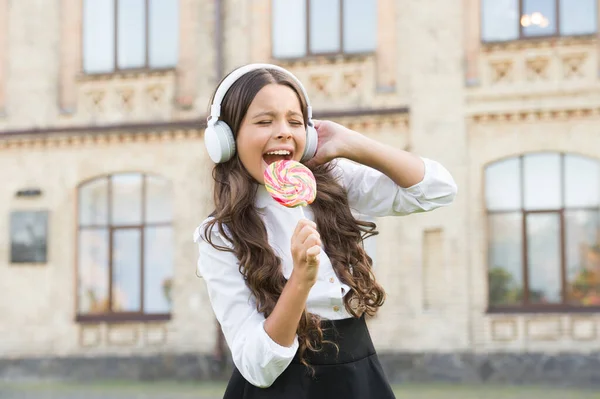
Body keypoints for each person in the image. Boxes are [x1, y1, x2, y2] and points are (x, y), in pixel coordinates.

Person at [194, 63, 457, 399]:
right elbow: (256, 366)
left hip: (357, 376)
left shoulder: (334, 184)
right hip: (280, 387)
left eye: (294, 120)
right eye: (264, 121)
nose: (284, 131)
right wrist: (300, 280)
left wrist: (351, 143)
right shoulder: (220, 235)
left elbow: (438, 189)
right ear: (226, 139)